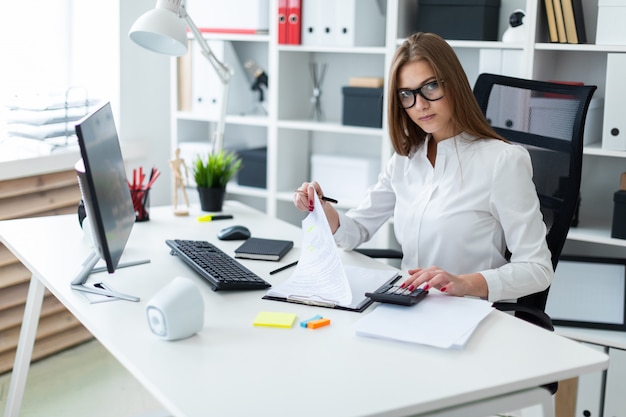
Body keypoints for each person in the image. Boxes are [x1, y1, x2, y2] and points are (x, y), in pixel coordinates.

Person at [293, 32, 553, 303]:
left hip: (466, 313)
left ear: (453, 84)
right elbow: (354, 231)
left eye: (431, 87)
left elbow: (537, 269)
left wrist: (464, 283)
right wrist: (325, 211)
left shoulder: (503, 161)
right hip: (407, 305)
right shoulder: (405, 159)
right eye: (407, 94)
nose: (420, 105)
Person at [170, 147, 190, 215]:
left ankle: (187, 204)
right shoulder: (172, 161)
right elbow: (174, 170)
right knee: (175, 191)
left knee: (183, 189)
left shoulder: (181, 160)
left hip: (180, 175)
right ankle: (175, 205)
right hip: (176, 176)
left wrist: (186, 176)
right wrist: (180, 176)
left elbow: (185, 167)